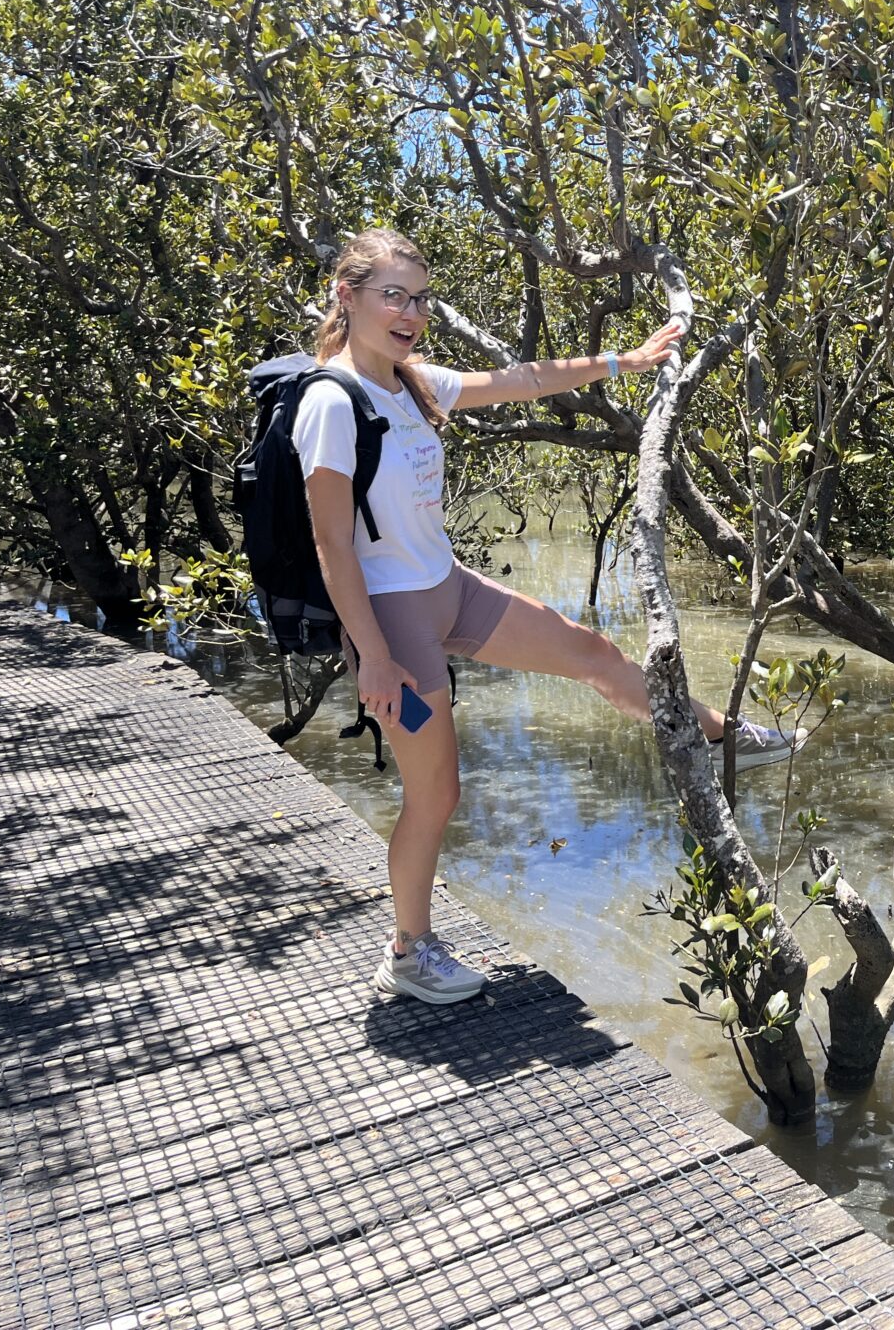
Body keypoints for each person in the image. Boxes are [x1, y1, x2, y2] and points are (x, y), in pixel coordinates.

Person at [294, 228, 804, 1005]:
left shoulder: (410, 380)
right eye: (391, 295)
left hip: (449, 587)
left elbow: (516, 379)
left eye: (420, 297)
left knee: (594, 654)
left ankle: (725, 736)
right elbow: (331, 546)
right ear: (347, 296)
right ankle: (408, 951)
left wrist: (621, 363)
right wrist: (373, 656)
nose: (409, 312)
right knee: (436, 796)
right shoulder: (332, 402)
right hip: (391, 619)